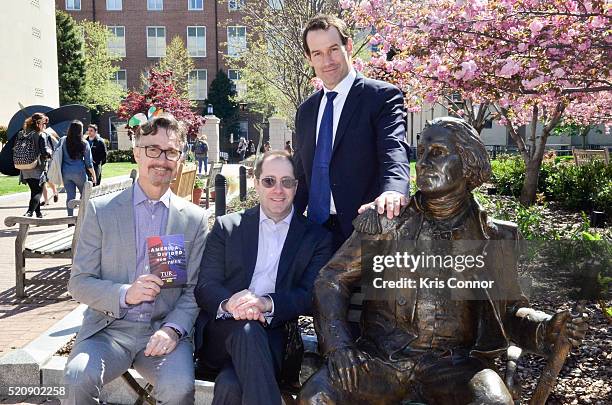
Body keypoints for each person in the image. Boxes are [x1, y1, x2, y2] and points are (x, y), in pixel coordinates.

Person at [298, 117, 587, 405]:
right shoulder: (387, 221)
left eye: (436, 153)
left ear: (468, 162)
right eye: (420, 153)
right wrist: (339, 346)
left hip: (455, 369)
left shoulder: (494, 237)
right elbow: (331, 279)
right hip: (382, 362)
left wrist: (547, 328)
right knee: (317, 396)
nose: (422, 162)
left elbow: (510, 312)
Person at [64, 113, 209, 405]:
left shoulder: (194, 219)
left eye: (170, 152)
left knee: (180, 388)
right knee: (77, 377)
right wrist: (124, 293)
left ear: (179, 159)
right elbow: (78, 283)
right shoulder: (101, 211)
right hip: (108, 332)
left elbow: (194, 290)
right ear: (136, 153)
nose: (161, 159)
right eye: (152, 149)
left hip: (162, 332)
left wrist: (173, 329)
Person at [195, 151, 333, 405]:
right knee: (247, 330)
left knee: (230, 385)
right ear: (256, 183)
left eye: (286, 181)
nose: (278, 190)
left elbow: (308, 295)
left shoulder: (316, 238)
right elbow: (205, 286)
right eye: (269, 181)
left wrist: (266, 304)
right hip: (221, 335)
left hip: (274, 336)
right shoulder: (227, 227)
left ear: (296, 186)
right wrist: (231, 304)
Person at [294, 14, 411, 250]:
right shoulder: (305, 111)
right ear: (309, 58)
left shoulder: (381, 97)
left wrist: (394, 190)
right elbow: (301, 174)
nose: (327, 60)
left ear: (348, 46)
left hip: (365, 230)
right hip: (314, 233)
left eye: (333, 49)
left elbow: (393, 149)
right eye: (317, 53)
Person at [17, 112, 52, 218]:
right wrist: (50, 153)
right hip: (37, 167)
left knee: (34, 191)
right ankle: (29, 212)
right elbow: (45, 152)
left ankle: (38, 213)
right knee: (38, 192)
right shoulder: (41, 135)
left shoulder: (22, 133)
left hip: (24, 167)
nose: (45, 125)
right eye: (44, 123)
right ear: (39, 123)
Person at [61, 120, 97, 216]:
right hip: (79, 172)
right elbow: (89, 163)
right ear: (80, 130)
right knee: (84, 196)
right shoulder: (84, 143)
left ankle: (70, 219)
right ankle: (83, 216)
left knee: (70, 196)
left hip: (65, 173)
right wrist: (94, 176)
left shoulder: (63, 140)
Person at [41, 130, 59, 207]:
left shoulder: (50, 137)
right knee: (42, 181)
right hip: (41, 162)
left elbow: (58, 148)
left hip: (50, 162)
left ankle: (55, 192)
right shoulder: (37, 137)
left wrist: (50, 153)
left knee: (48, 180)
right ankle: (46, 200)